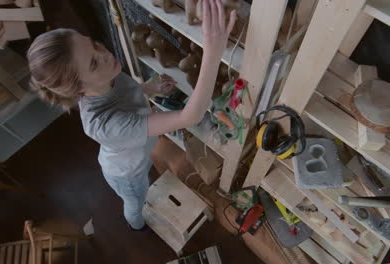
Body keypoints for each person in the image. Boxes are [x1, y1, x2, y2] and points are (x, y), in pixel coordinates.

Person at [27, 0, 236, 231]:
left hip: (137, 154)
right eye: (94, 63)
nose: (105, 53)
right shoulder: (106, 125)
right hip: (126, 174)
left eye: (95, 44)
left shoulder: (107, 76)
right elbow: (189, 116)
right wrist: (213, 52)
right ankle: (136, 225)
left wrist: (151, 88)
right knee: (136, 199)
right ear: (79, 89)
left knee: (145, 168)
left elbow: (127, 93)